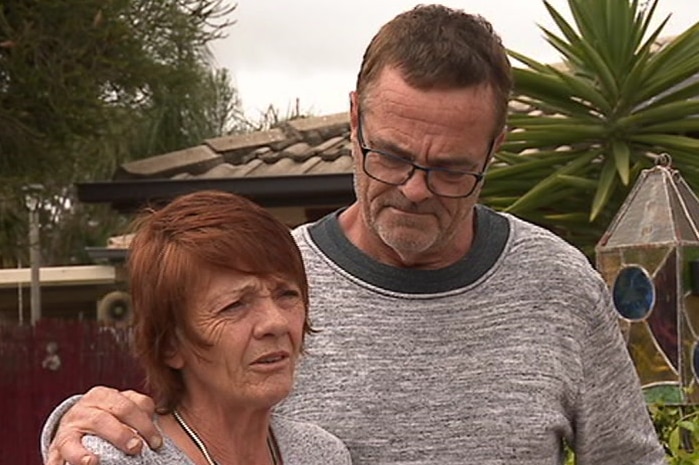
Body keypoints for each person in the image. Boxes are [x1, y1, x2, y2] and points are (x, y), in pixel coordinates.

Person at [43, 4, 666, 465]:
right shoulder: (270, 279)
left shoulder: (556, 284)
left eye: (450, 168)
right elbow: (156, 418)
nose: (415, 189)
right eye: (390, 157)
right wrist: (75, 425)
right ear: (354, 119)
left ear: (495, 148)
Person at [41, 190, 352, 465]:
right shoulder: (122, 457)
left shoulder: (322, 454)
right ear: (169, 345)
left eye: (287, 294)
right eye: (235, 305)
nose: (276, 322)